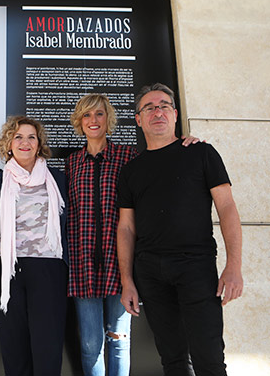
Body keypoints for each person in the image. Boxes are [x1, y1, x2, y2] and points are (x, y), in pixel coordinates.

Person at [66, 93, 201, 376]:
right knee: (91, 344)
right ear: (79, 121)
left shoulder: (128, 156)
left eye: (99, 114)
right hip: (83, 264)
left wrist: (189, 145)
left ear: (108, 119)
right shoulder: (72, 164)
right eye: (87, 115)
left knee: (119, 339)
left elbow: (161, 166)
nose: (94, 120)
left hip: (121, 264)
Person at [117, 83, 243, 375]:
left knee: (209, 357)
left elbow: (227, 208)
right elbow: (126, 227)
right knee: (172, 360)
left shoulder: (202, 153)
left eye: (163, 106)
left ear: (174, 114)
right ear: (138, 119)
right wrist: (127, 280)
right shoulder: (131, 171)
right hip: (149, 271)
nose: (157, 111)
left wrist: (233, 266)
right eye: (149, 107)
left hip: (195, 267)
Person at [0, 116, 68, 376]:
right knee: (14, 348)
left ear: (39, 144)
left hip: (49, 269)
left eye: (31, 137)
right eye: (18, 137)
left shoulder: (58, 180)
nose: (25, 142)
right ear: (9, 144)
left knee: (47, 347)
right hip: (3, 269)